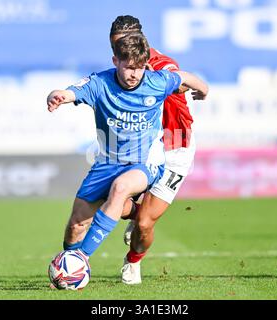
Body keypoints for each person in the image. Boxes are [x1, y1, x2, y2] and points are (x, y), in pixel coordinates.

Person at [47, 33, 208, 276]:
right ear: (115, 56)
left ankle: (123, 261)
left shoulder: (158, 72)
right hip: (112, 160)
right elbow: (75, 90)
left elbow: (182, 77)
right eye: (116, 45)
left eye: (138, 67)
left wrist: (203, 89)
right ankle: (67, 266)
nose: (133, 73)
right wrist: (59, 95)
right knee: (78, 222)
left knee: (140, 216)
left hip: (168, 149)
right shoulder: (104, 81)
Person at [110, 16, 201, 284]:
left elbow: (179, 80)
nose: (122, 52)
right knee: (107, 197)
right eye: (116, 47)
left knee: (145, 224)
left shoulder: (160, 63)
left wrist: (173, 81)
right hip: (141, 146)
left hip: (175, 146)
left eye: (126, 44)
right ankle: (138, 213)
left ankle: (133, 261)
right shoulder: (123, 68)